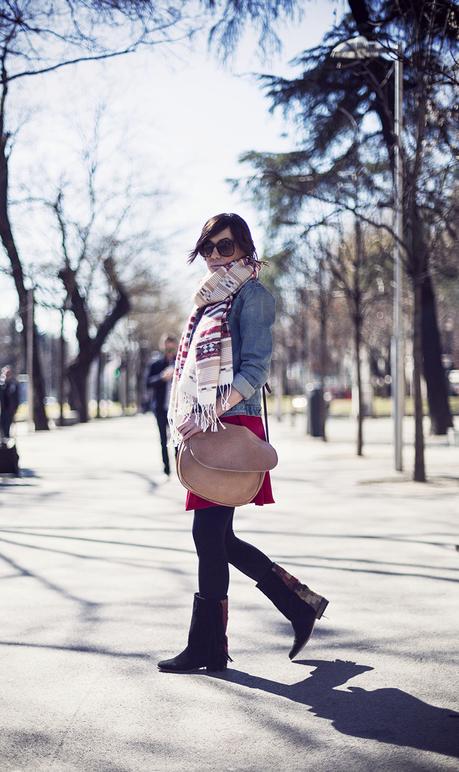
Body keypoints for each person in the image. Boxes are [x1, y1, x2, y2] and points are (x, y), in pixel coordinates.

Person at [157, 212, 329, 674]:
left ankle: (210, 646)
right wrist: (196, 415)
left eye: (226, 246)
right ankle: (297, 604)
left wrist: (209, 412)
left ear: (245, 249)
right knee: (218, 536)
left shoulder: (253, 296)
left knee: (209, 534)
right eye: (209, 247)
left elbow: (255, 369)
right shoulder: (207, 301)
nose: (216, 255)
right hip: (208, 424)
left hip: (229, 424)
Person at [146, 335, 178, 477]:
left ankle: (180, 467)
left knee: (178, 439)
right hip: (160, 408)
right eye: (167, 346)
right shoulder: (156, 364)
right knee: (163, 439)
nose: (169, 349)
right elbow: (148, 383)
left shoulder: (181, 362)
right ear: (163, 346)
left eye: (172, 346)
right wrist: (162, 377)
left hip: (177, 409)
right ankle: (166, 468)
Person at [0, 365, 19, 439]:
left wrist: (15, 407)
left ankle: (6, 437)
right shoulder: (2, 383)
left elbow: (16, 396)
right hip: (2, 407)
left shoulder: (13, 383)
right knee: (2, 423)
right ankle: (3, 437)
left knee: (7, 423)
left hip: (10, 408)